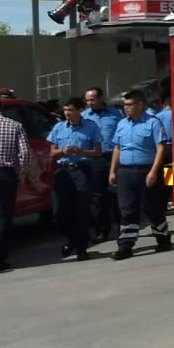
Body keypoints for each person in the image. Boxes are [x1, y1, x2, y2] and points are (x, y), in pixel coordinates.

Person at [109, 90, 170, 261]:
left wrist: (154, 171)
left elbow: (161, 148)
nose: (126, 108)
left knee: (152, 208)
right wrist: (113, 171)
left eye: (130, 104)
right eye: (125, 105)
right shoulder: (122, 124)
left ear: (141, 105)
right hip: (125, 172)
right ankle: (125, 245)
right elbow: (117, 148)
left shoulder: (153, 123)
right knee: (127, 209)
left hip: (146, 171)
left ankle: (163, 238)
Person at [47, 98, 103, 261]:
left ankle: (81, 248)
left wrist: (81, 151)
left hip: (82, 170)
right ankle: (72, 239)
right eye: (65, 110)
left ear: (79, 110)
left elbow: (98, 152)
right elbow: (52, 152)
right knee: (60, 213)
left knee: (81, 211)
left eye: (70, 110)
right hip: (63, 171)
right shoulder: (59, 127)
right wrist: (62, 150)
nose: (67, 113)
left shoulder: (91, 126)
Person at [82, 86, 123, 242]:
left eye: (92, 100)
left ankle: (123, 228)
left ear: (100, 98)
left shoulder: (116, 113)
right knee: (98, 197)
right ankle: (102, 230)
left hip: (114, 157)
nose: (89, 103)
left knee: (118, 194)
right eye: (87, 100)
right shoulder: (84, 116)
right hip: (95, 159)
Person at [0, 110, 32, 273]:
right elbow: (25, 154)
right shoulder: (14, 125)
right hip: (5, 174)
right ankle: (0, 259)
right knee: (3, 216)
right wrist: (20, 173)